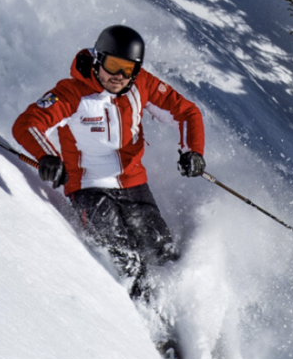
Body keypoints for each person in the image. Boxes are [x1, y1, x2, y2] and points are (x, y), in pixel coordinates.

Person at [13, 25, 206, 299]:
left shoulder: (141, 85)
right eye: (113, 65)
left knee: (163, 253)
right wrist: (47, 156)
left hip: (134, 185)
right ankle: (139, 323)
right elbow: (28, 123)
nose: (118, 76)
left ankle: (180, 315)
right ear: (97, 59)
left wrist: (193, 151)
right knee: (126, 259)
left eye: (128, 69)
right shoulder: (71, 93)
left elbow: (187, 112)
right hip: (88, 188)